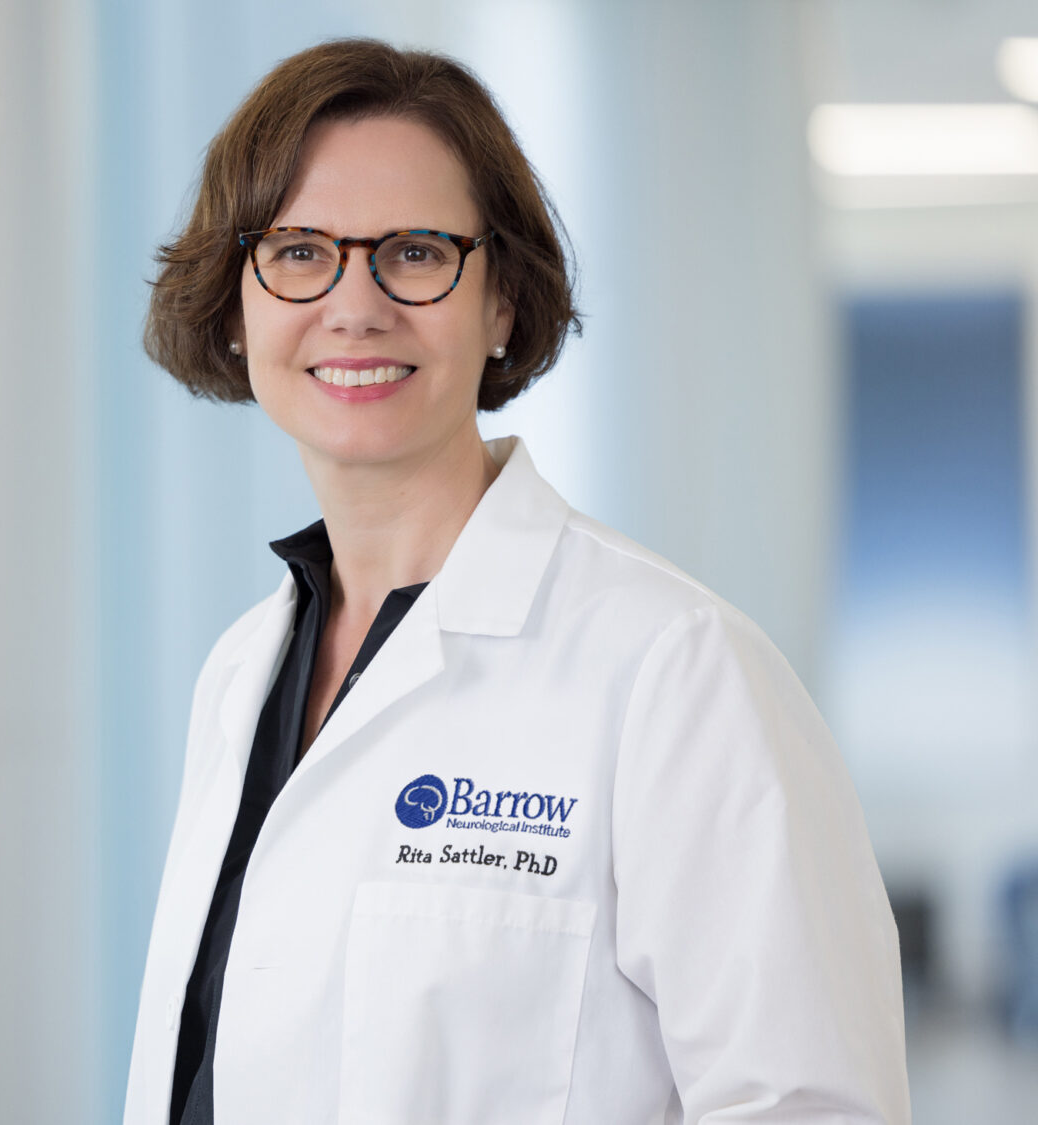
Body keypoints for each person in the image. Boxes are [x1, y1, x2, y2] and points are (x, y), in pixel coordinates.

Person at [122, 38, 909, 1125]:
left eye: (413, 251)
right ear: (235, 301)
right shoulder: (238, 677)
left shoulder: (673, 672)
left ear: (499, 301)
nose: (353, 306)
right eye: (299, 251)